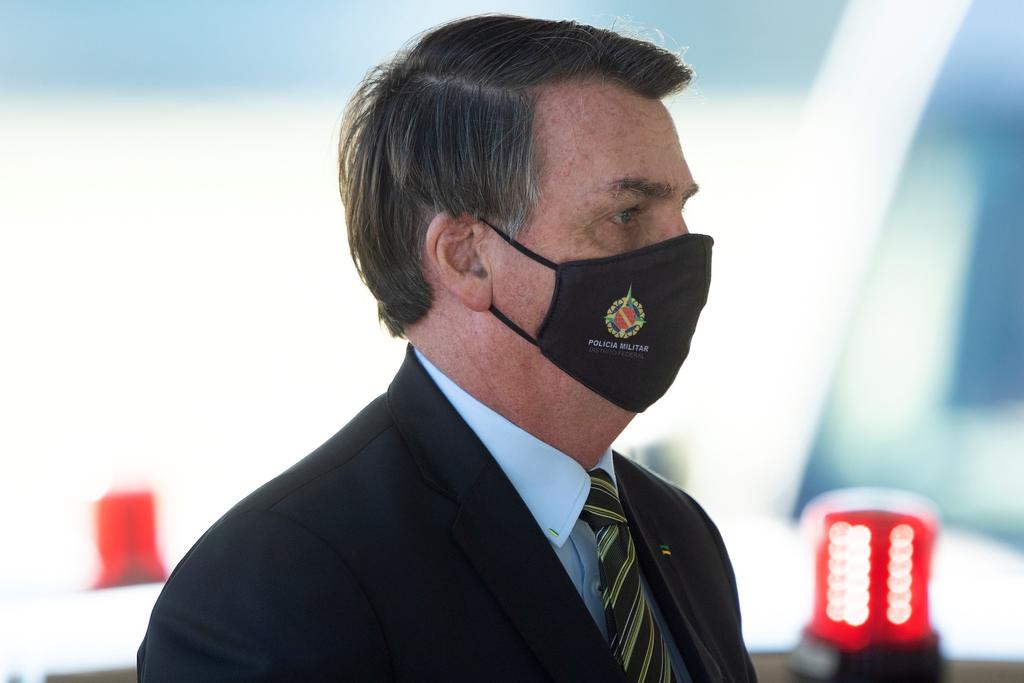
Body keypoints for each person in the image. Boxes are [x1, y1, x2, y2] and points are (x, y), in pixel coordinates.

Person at [138, 14, 756, 683]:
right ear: (467, 258)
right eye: (627, 215)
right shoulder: (269, 590)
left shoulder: (678, 531)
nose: (682, 255)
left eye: (682, 210)